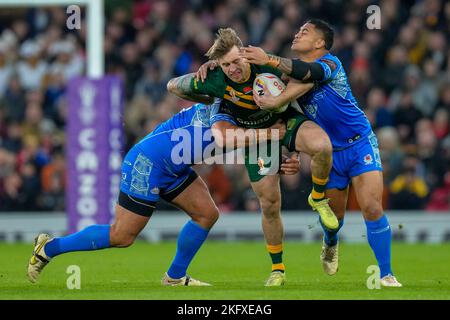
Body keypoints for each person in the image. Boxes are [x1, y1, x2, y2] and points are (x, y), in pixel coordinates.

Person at [27, 100, 299, 286]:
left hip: (174, 166)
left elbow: (256, 149)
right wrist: (274, 136)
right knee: (122, 236)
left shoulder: (242, 112)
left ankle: (175, 277)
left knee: (206, 214)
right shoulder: (229, 113)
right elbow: (231, 138)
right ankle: (50, 247)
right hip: (149, 162)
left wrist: (283, 160)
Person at [167, 28, 338, 286]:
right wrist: (209, 98)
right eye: (226, 64)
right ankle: (278, 270)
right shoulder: (215, 77)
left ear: (245, 55)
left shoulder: (265, 63)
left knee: (322, 146)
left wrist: (279, 100)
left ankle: (318, 197)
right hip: (256, 135)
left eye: (236, 61)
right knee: (269, 203)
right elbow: (173, 86)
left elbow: (306, 79)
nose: (233, 68)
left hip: (284, 120)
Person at [239, 19, 402, 287]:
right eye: (297, 30)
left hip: (359, 142)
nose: (297, 33)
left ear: (320, 43)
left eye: (304, 31)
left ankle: (386, 273)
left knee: (372, 207)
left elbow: (310, 72)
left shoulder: (330, 64)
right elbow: (277, 94)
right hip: (329, 154)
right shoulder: (291, 74)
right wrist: (215, 66)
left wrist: (268, 59)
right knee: (334, 220)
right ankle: (330, 241)